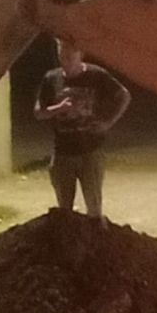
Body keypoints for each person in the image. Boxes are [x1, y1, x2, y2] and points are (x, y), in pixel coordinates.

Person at [34, 39, 130, 219]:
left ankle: (95, 234)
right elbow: (39, 113)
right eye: (62, 54)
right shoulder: (51, 78)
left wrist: (108, 122)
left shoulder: (96, 75)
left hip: (91, 152)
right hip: (62, 153)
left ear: (81, 54)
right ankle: (69, 236)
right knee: (64, 211)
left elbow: (123, 95)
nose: (66, 59)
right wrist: (59, 108)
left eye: (70, 55)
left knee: (94, 208)